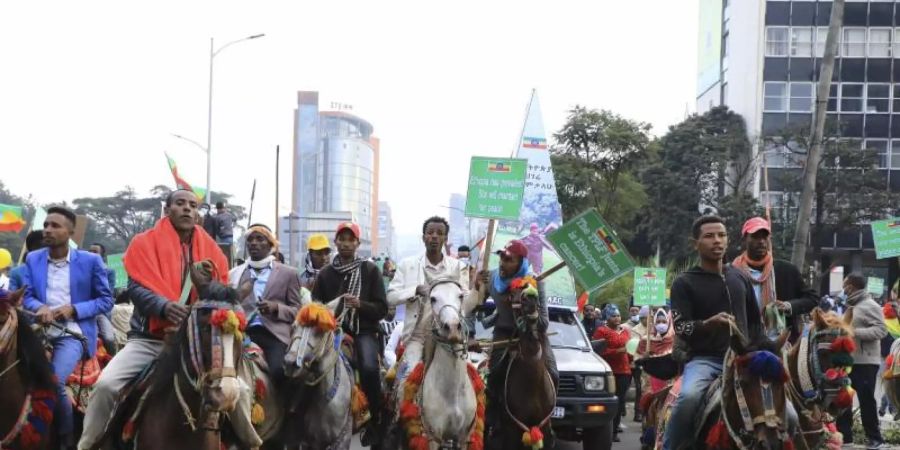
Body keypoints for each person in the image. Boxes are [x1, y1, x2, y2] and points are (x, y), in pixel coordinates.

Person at [77, 190, 259, 450]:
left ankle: (249, 441)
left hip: (197, 344)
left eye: (192, 205)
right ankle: (88, 443)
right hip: (150, 340)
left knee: (236, 388)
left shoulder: (213, 250)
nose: (187, 209)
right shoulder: (143, 243)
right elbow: (136, 288)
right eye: (180, 203)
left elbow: (220, 298)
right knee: (106, 385)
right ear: (167, 209)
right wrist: (163, 307)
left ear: (198, 214)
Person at [663, 215, 767, 450]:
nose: (717, 241)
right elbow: (682, 328)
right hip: (705, 361)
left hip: (744, 361)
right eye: (709, 236)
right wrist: (709, 323)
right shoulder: (684, 282)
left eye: (721, 235)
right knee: (688, 399)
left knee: (788, 413)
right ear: (695, 243)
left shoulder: (740, 277)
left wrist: (768, 350)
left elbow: (755, 325)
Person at [21, 206, 113, 448]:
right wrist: (39, 307)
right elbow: (27, 296)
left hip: (72, 333)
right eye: (46, 225)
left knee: (54, 383)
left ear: (71, 232)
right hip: (38, 329)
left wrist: (74, 309)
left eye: (55, 226)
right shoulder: (33, 258)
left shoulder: (91, 261)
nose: (48, 230)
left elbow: (106, 300)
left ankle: (66, 440)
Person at [467, 239, 559, 448]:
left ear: (521, 262)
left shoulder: (535, 282)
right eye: (501, 257)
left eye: (509, 259)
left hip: (533, 336)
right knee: (495, 375)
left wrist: (530, 312)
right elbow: (472, 307)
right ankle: (493, 420)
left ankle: (548, 422)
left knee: (553, 372)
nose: (502, 262)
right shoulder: (489, 278)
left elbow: (544, 323)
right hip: (503, 334)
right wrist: (471, 334)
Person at [311, 222, 387, 448]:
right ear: (335, 242)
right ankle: (299, 417)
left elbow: (382, 308)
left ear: (357, 243)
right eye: (341, 239)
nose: (345, 243)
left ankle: (375, 421)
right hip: (331, 330)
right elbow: (316, 305)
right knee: (306, 363)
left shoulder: (370, 270)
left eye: (350, 239)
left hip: (363, 330)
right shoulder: (325, 273)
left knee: (370, 368)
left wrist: (360, 304)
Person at [228, 224, 302, 387]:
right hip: (243, 332)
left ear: (270, 244)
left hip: (274, 335)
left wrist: (276, 308)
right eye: (250, 239)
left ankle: (286, 410)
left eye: (260, 239)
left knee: (279, 371)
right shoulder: (235, 274)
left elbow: (298, 312)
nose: (253, 243)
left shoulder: (288, 273)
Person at [387, 216, 468, 354]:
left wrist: (479, 289)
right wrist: (415, 290)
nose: (434, 236)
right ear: (423, 238)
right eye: (430, 233)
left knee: (468, 372)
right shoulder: (407, 265)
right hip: (417, 338)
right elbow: (391, 297)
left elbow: (466, 302)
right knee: (409, 374)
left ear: (445, 239)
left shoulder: (459, 267)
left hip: (449, 337)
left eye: (440, 233)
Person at [731, 217, 818, 340]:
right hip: (743, 343)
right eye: (755, 236)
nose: (761, 241)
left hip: (781, 343)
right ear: (744, 240)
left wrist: (788, 306)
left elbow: (812, 298)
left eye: (765, 237)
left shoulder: (786, 270)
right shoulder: (732, 273)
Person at [836, 273, 888, 449]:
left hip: (865, 362)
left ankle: (875, 439)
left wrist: (855, 332)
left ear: (852, 286)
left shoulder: (870, 305)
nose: (843, 289)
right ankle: (845, 437)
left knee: (866, 400)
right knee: (844, 399)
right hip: (848, 362)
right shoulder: (850, 306)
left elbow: (881, 330)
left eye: (845, 285)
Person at [592, 304, 632, 442]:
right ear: (607, 318)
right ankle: (603, 430)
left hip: (625, 371)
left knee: (620, 402)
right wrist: (616, 351)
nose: (617, 318)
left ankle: (614, 431)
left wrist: (634, 357)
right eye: (613, 316)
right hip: (609, 372)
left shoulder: (626, 331)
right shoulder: (601, 331)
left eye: (618, 315)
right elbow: (597, 351)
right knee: (609, 402)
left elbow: (630, 349)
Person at [88, 243, 119, 356]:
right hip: (80, 310)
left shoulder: (109, 272)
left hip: (100, 311)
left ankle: (111, 362)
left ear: (101, 255)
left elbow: (108, 294)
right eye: (89, 251)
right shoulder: (80, 268)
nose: (91, 254)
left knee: (108, 338)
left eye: (95, 252)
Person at [637, 308, 676, 393]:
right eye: (658, 322)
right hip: (651, 378)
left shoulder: (675, 340)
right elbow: (636, 359)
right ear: (654, 323)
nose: (661, 324)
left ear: (668, 323)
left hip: (671, 379)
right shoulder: (645, 340)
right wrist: (643, 358)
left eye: (664, 322)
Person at [625, 305, 649, 422]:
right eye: (646, 318)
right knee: (640, 388)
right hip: (639, 363)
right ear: (642, 318)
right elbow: (635, 347)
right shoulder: (635, 330)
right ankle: (638, 412)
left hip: (652, 363)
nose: (648, 320)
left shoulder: (655, 328)